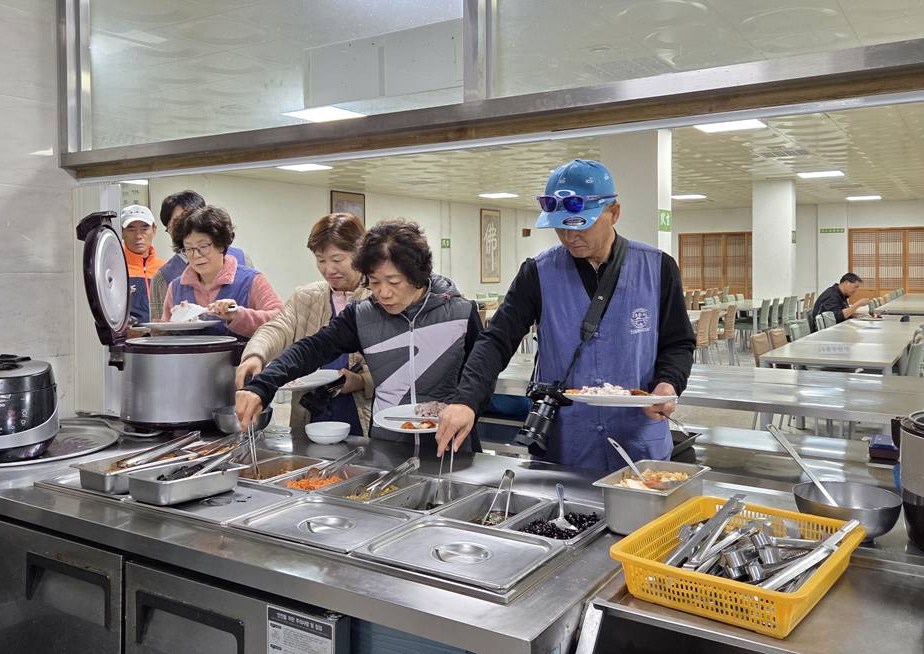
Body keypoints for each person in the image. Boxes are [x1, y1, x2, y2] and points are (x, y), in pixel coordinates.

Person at [439, 159, 696, 472]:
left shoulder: (657, 268)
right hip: (566, 445)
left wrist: (668, 384)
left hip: (638, 442)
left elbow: (678, 343)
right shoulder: (537, 272)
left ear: (614, 212)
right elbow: (496, 341)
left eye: (580, 224)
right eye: (560, 226)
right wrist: (466, 399)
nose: (569, 236)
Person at [235, 220, 483, 450]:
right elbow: (312, 349)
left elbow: (481, 375)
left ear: (417, 275)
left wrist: (467, 405)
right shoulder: (362, 315)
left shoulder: (460, 313)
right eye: (374, 282)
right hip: (387, 448)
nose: (383, 293)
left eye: (393, 282)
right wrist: (262, 386)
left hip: (452, 446)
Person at [234, 213, 375, 436]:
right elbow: (277, 328)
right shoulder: (307, 297)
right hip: (311, 413)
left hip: (363, 414)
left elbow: (399, 366)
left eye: (337, 259)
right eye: (321, 260)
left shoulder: (378, 297)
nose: (329, 269)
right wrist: (256, 355)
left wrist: (362, 381)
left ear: (360, 254)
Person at [162, 206, 283, 338]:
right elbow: (168, 332)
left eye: (203, 246)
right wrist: (160, 332)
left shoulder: (251, 280)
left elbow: (281, 321)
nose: (196, 255)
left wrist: (238, 315)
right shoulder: (176, 287)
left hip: (241, 352)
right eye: (189, 249)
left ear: (221, 245)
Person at [150, 190, 252, 321]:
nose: (185, 227)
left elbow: (269, 318)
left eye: (190, 219)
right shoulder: (163, 277)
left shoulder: (242, 259)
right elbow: (161, 325)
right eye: (176, 224)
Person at [120, 204, 164, 325]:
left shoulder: (165, 269)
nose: (138, 236)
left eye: (144, 229)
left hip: (163, 335)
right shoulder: (115, 268)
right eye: (131, 229)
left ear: (154, 230)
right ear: (122, 232)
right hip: (127, 337)